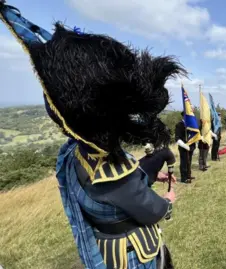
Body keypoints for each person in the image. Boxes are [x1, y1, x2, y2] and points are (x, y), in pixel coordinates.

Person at [13, 22, 182, 268]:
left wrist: (151, 173)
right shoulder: (111, 173)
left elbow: (127, 184)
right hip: (132, 253)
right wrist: (167, 203)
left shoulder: (76, 151)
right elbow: (148, 208)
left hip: (107, 246)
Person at [175, 112, 196, 183]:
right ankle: (184, 178)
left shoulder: (190, 124)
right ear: (183, 116)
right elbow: (177, 138)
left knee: (189, 161)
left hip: (191, 146)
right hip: (183, 147)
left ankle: (188, 175)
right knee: (184, 162)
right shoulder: (179, 125)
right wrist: (184, 145)